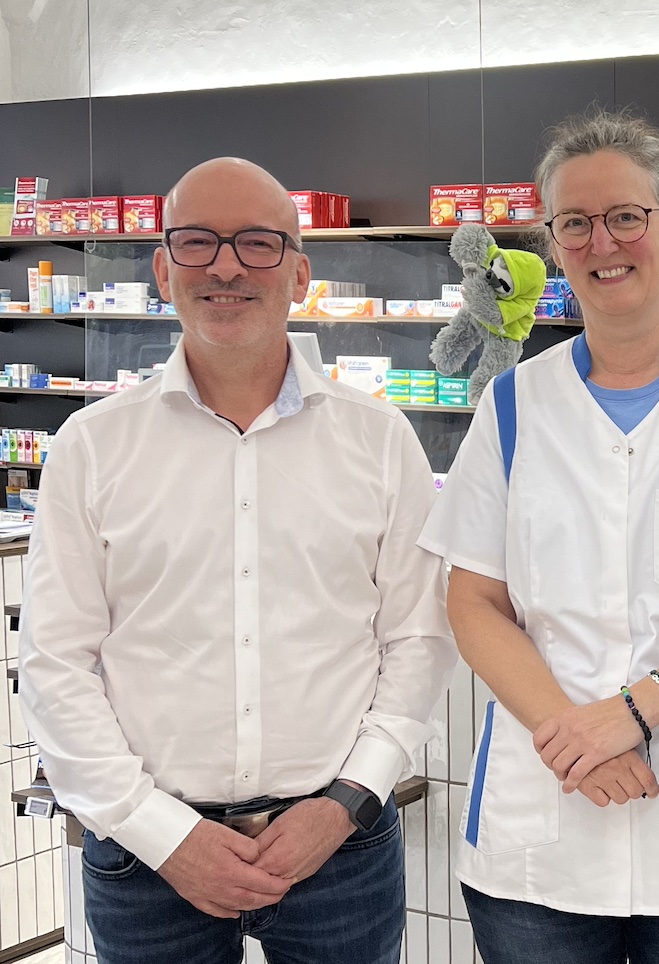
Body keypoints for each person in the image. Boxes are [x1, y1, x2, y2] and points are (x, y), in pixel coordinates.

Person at [20, 158, 455, 964]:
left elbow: (418, 641)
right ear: (162, 270)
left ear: (299, 272)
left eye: (258, 243)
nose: (226, 266)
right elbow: (55, 662)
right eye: (197, 242)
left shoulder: (378, 440)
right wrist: (159, 831)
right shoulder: (93, 445)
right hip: (147, 860)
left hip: (341, 852)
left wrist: (347, 802)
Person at [418, 110, 659, 964]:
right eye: (575, 223)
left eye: (626, 216)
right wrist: (577, 735)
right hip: (542, 832)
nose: (604, 243)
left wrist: (634, 713)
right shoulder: (512, 406)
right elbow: (474, 601)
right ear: (554, 247)